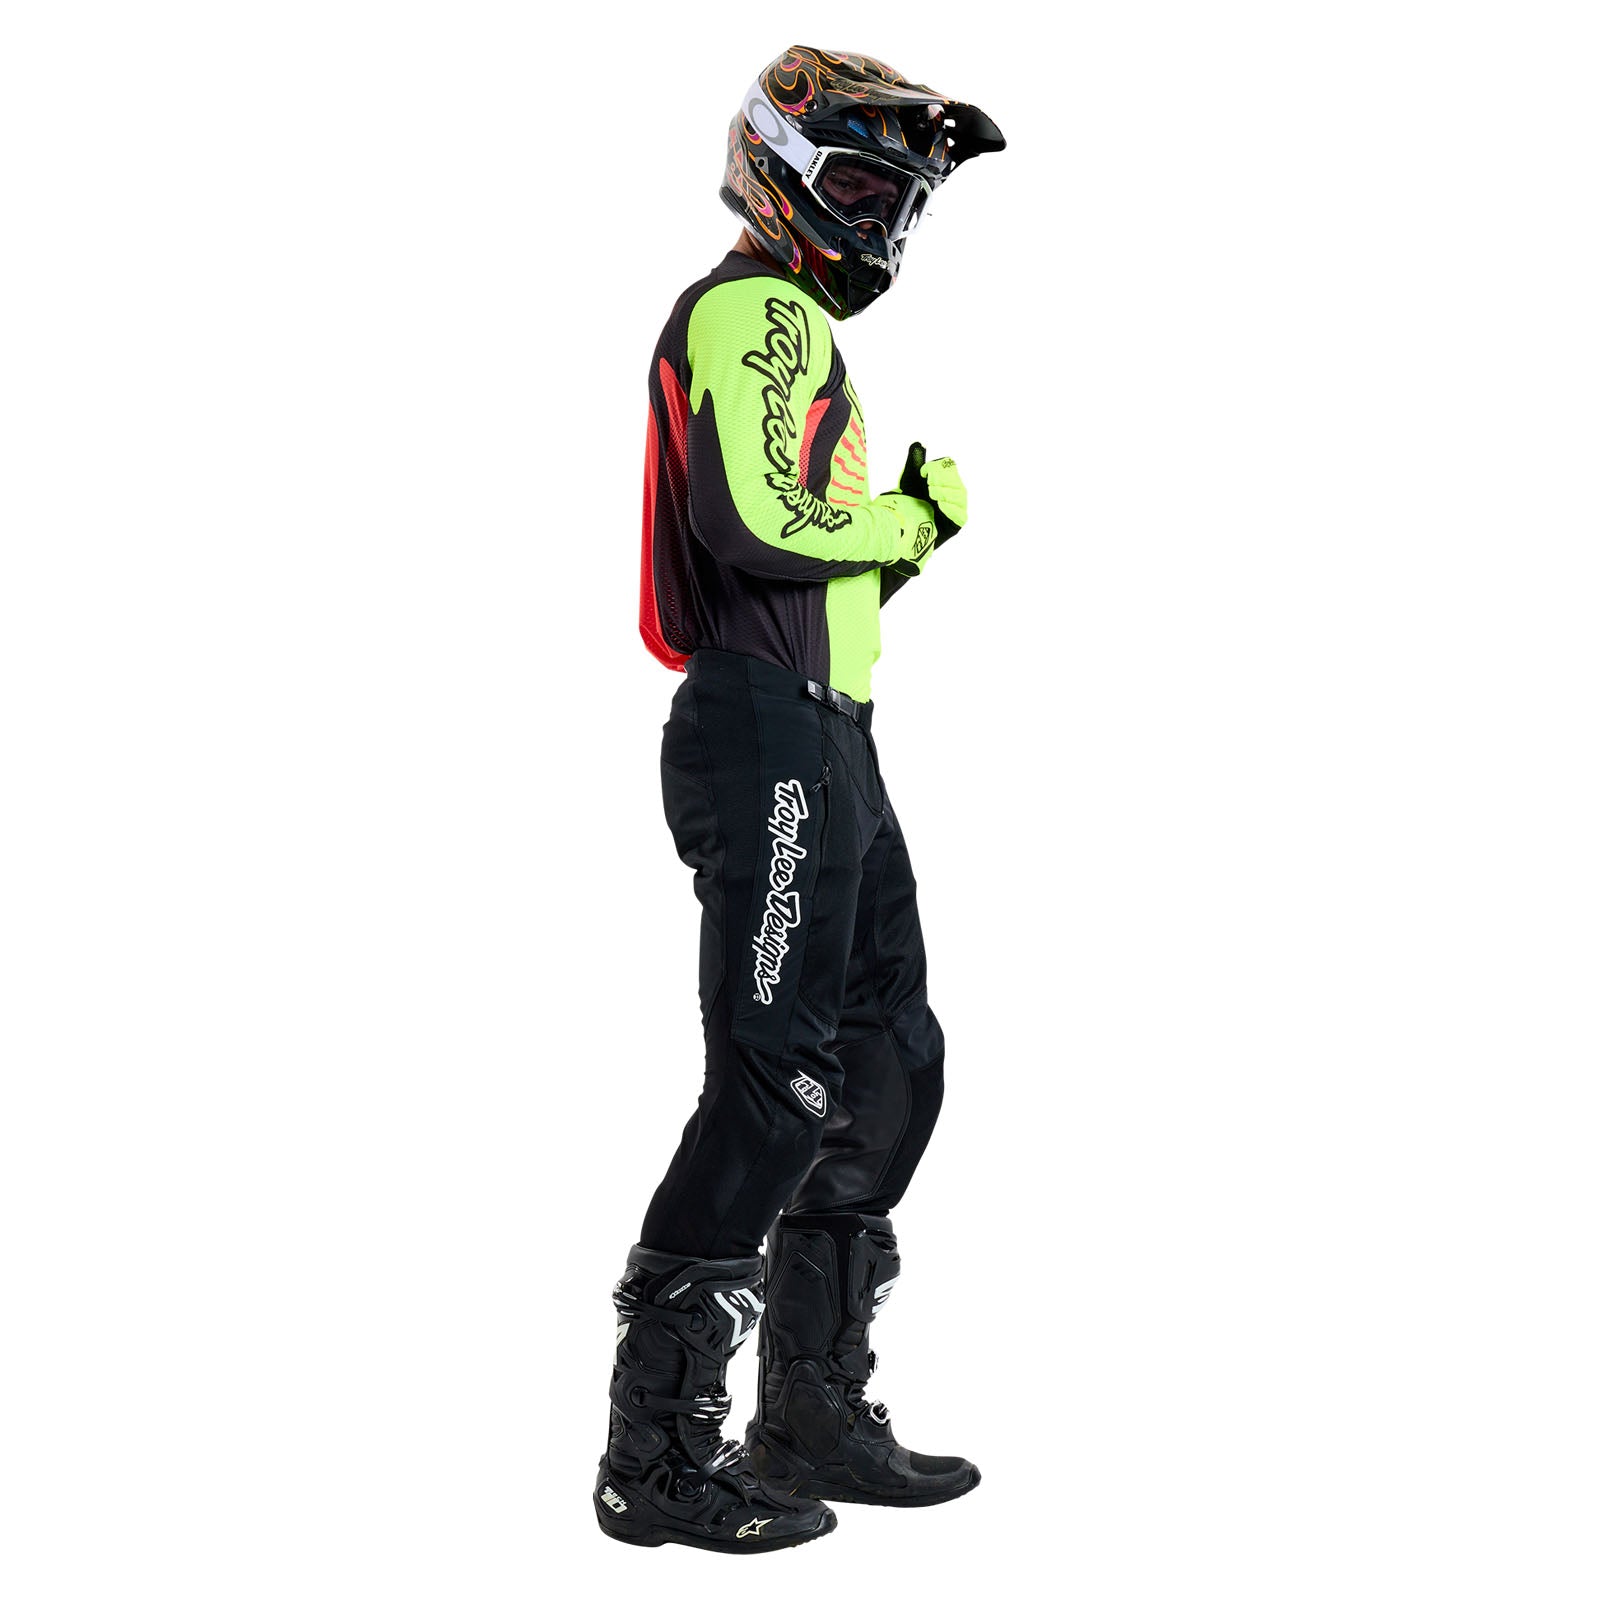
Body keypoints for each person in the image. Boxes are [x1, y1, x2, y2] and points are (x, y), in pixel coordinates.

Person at [595, 45, 1005, 1554]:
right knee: (775, 1087)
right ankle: (654, 1456)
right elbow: (759, 522)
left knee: (890, 1058)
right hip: (764, 733)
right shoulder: (750, 310)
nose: (881, 225)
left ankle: (809, 1411)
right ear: (776, 168)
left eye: (899, 203)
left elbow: (813, 575)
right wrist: (904, 514)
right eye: (861, 189)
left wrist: (905, 545)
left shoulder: (794, 326)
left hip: (830, 733)